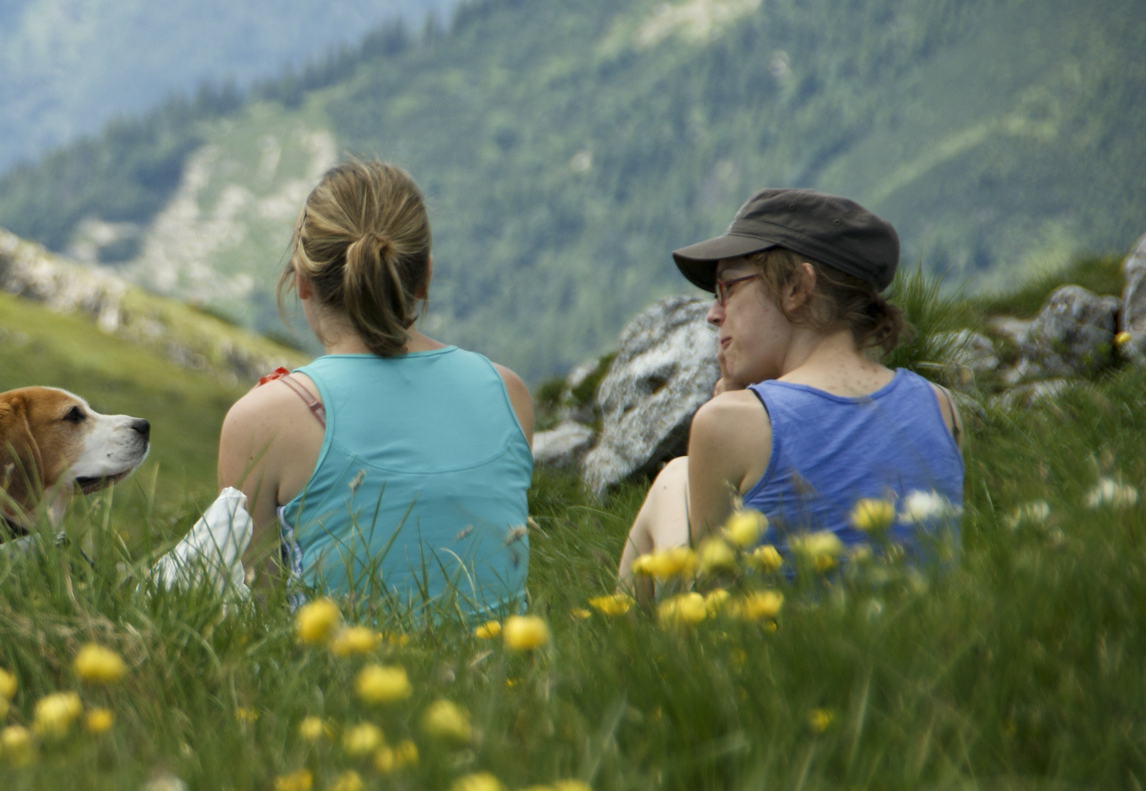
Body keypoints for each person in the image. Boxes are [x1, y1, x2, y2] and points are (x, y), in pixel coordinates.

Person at [213, 160, 536, 619]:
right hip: (508, 681)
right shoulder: (509, 393)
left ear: (302, 281)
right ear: (424, 277)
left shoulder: (261, 420)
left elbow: (256, 615)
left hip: (348, 684)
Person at [616, 188, 964, 596]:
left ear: (797, 287)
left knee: (673, 479)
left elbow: (710, 608)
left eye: (728, 288)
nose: (713, 314)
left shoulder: (730, 421)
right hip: (924, 650)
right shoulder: (940, 405)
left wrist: (726, 405)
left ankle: (622, 647)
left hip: (782, 652)